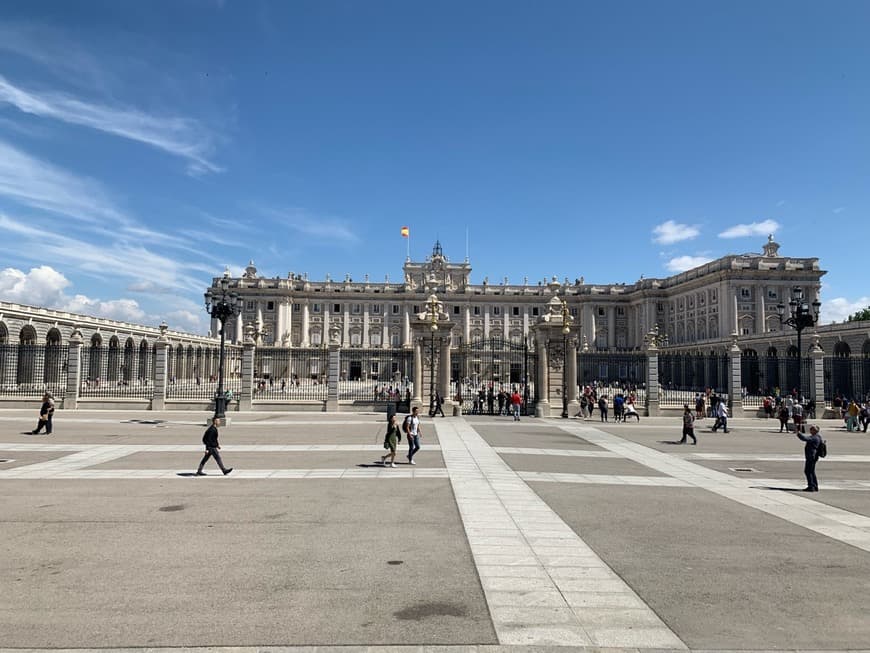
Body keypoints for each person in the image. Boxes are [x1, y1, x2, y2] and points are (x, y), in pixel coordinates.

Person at [796, 424, 822, 492]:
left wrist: (798, 433)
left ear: (814, 430)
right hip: (813, 456)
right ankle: (815, 486)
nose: (810, 430)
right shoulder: (818, 437)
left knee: (808, 471)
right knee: (811, 471)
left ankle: (811, 486)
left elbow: (805, 439)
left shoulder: (815, 437)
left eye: (811, 429)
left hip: (811, 456)